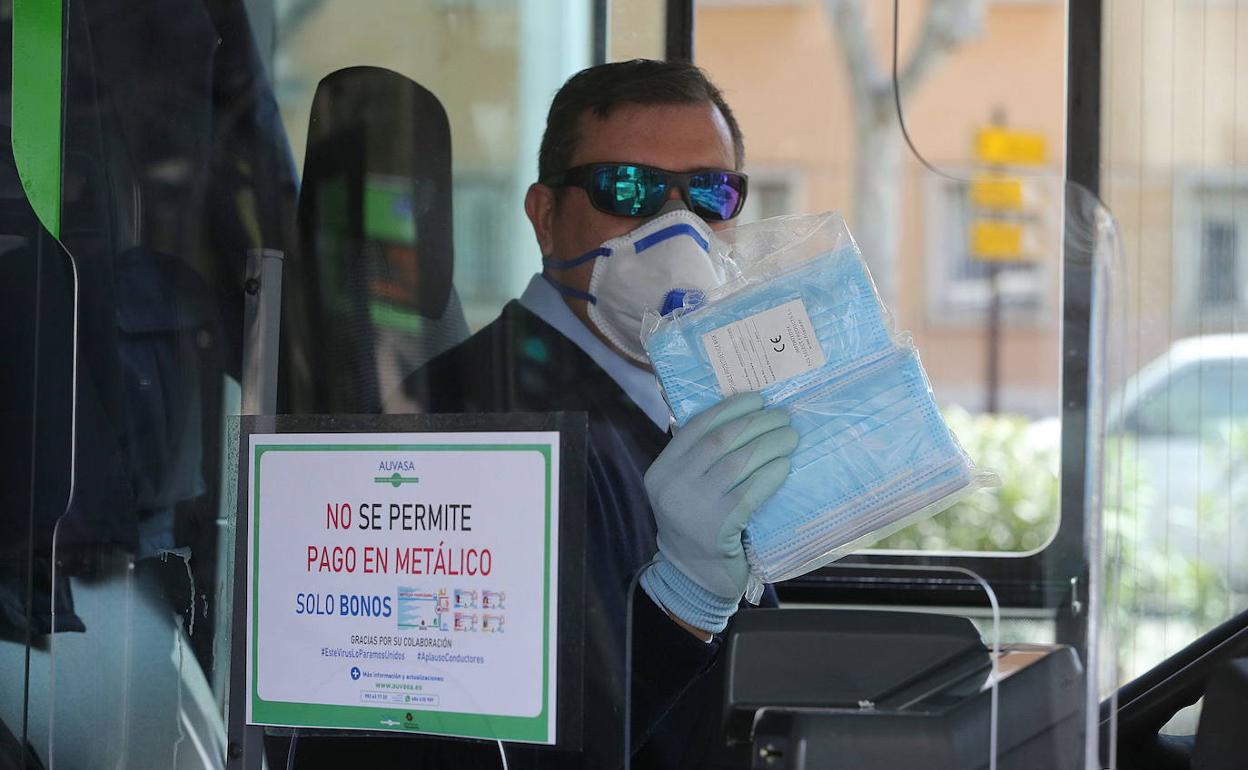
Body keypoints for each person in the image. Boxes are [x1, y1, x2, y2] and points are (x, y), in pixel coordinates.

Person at [299, 58, 797, 770]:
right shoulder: (465, 426)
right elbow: (502, 746)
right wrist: (680, 602)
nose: (677, 225)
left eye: (711, 193)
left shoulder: (687, 399)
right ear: (544, 214)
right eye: (629, 188)